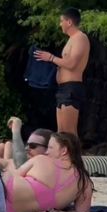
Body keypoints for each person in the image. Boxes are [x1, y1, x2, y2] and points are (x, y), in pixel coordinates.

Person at [2, 130, 94, 212]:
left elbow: (14, 175)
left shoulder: (41, 159)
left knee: (9, 165)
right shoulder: (84, 182)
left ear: (64, 151)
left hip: (2, 196)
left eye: (50, 148)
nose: (46, 152)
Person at [34, 8, 90, 138]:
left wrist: (51, 58)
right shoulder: (70, 39)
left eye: (61, 21)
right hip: (62, 88)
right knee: (61, 133)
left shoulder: (80, 38)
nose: (60, 24)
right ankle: (64, 158)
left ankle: (75, 158)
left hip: (72, 87)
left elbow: (71, 64)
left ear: (69, 22)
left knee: (69, 133)